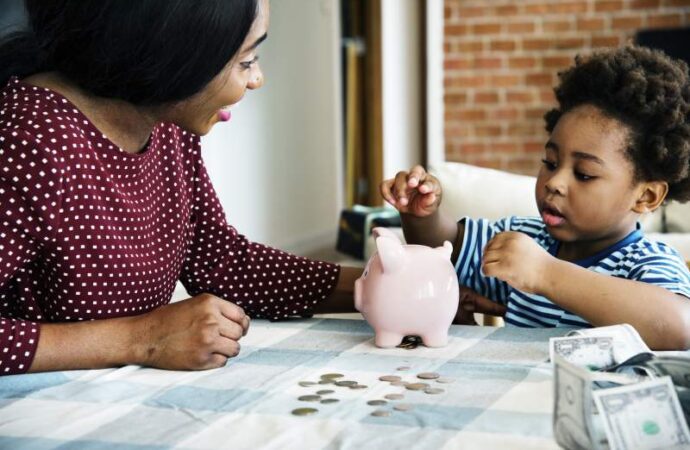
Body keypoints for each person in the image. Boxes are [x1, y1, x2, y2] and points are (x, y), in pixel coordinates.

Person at [0, 0, 361, 376]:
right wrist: (141, 338)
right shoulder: (29, 144)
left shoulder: (161, 118)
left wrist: (375, 288)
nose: (257, 79)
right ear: (175, 52)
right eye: (246, 61)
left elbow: (219, 262)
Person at [381, 46, 690, 350]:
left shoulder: (647, 264)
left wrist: (545, 273)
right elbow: (445, 250)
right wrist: (422, 214)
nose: (554, 182)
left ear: (646, 196)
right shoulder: (525, 238)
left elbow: (678, 329)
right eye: (550, 163)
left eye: (583, 173)